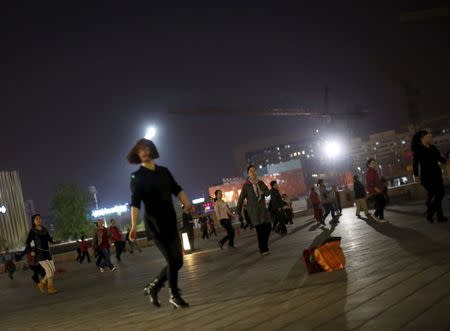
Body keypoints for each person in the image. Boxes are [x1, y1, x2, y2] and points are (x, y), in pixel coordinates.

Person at [128, 138, 190, 308]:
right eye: (141, 149)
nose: (145, 151)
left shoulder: (164, 171)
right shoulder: (137, 177)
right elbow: (135, 203)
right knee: (171, 260)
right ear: (137, 154)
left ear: (152, 150)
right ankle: (174, 294)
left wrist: (187, 203)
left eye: (147, 148)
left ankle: (154, 286)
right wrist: (133, 226)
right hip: (154, 225)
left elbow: (177, 189)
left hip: (170, 221)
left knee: (178, 261)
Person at [412, 130, 448, 223]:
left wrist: (447, 160)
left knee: (440, 194)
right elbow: (415, 164)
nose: (431, 138)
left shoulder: (433, 148)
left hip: (437, 174)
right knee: (438, 194)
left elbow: (440, 159)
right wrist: (416, 176)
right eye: (429, 136)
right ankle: (432, 212)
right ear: (423, 138)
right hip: (426, 177)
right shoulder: (418, 150)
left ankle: (437, 215)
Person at [236, 165, 272, 255]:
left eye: (254, 170)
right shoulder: (246, 186)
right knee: (260, 230)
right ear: (248, 173)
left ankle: (263, 245)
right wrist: (238, 211)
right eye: (251, 171)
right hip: (254, 211)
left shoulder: (261, 183)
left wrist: (262, 192)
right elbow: (241, 199)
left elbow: (268, 193)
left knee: (268, 227)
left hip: (263, 210)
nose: (253, 172)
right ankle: (263, 249)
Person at [25, 214, 58, 294]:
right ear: (33, 221)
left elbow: (49, 239)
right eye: (37, 219)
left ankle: (41, 283)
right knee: (49, 270)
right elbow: (27, 242)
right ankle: (50, 288)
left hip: (47, 252)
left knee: (53, 270)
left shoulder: (45, 229)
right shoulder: (32, 231)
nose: (39, 220)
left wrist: (54, 241)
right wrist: (31, 251)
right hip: (39, 253)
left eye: (39, 218)